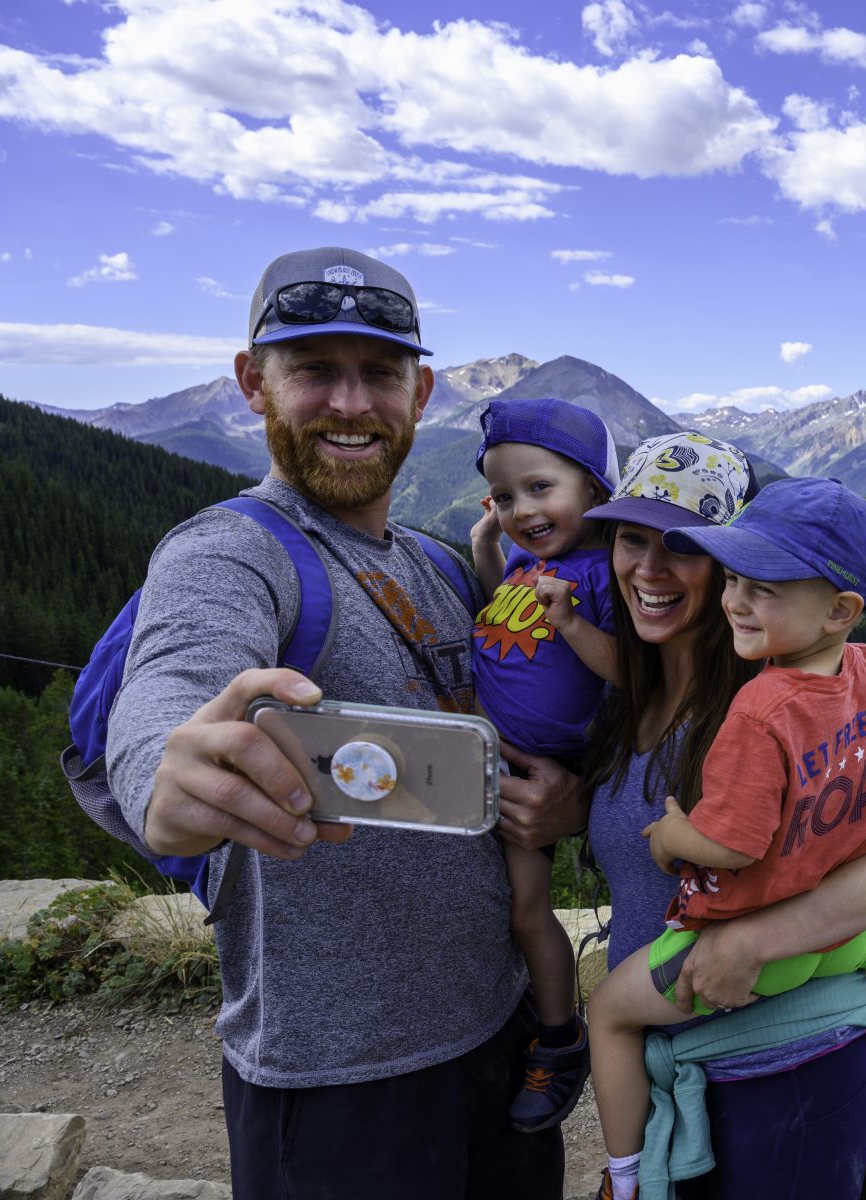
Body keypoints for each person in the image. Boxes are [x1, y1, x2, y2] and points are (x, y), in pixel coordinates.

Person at [106, 246, 580, 1199]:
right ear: (254, 384)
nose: (352, 403)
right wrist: (168, 768)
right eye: (315, 369)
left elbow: (507, 741)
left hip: (497, 1035)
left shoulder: (445, 568)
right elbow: (175, 679)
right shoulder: (234, 550)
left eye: (380, 373)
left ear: (422, 391)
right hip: (333, 1082)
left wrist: (556, 803)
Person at [553, 433, 866, 1199]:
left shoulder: (786, 702)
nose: (649, 568)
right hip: (693, 1072)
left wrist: (757, 938)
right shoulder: (630, 690)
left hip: (790, 1069)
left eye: (684, 547)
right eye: (631, 539)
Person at [468, 396, 624, 1131]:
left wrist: (571, 620)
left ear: (594, 489)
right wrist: (488, 556)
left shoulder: (598, 573)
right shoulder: (533, 557)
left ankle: (561, 1040)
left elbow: (632, 672)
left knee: (530, 909)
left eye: (540, 489)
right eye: (505, 495)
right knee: (514, 910)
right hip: (491, 762)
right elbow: (509, 607)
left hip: (547, 774)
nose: (521, 508)